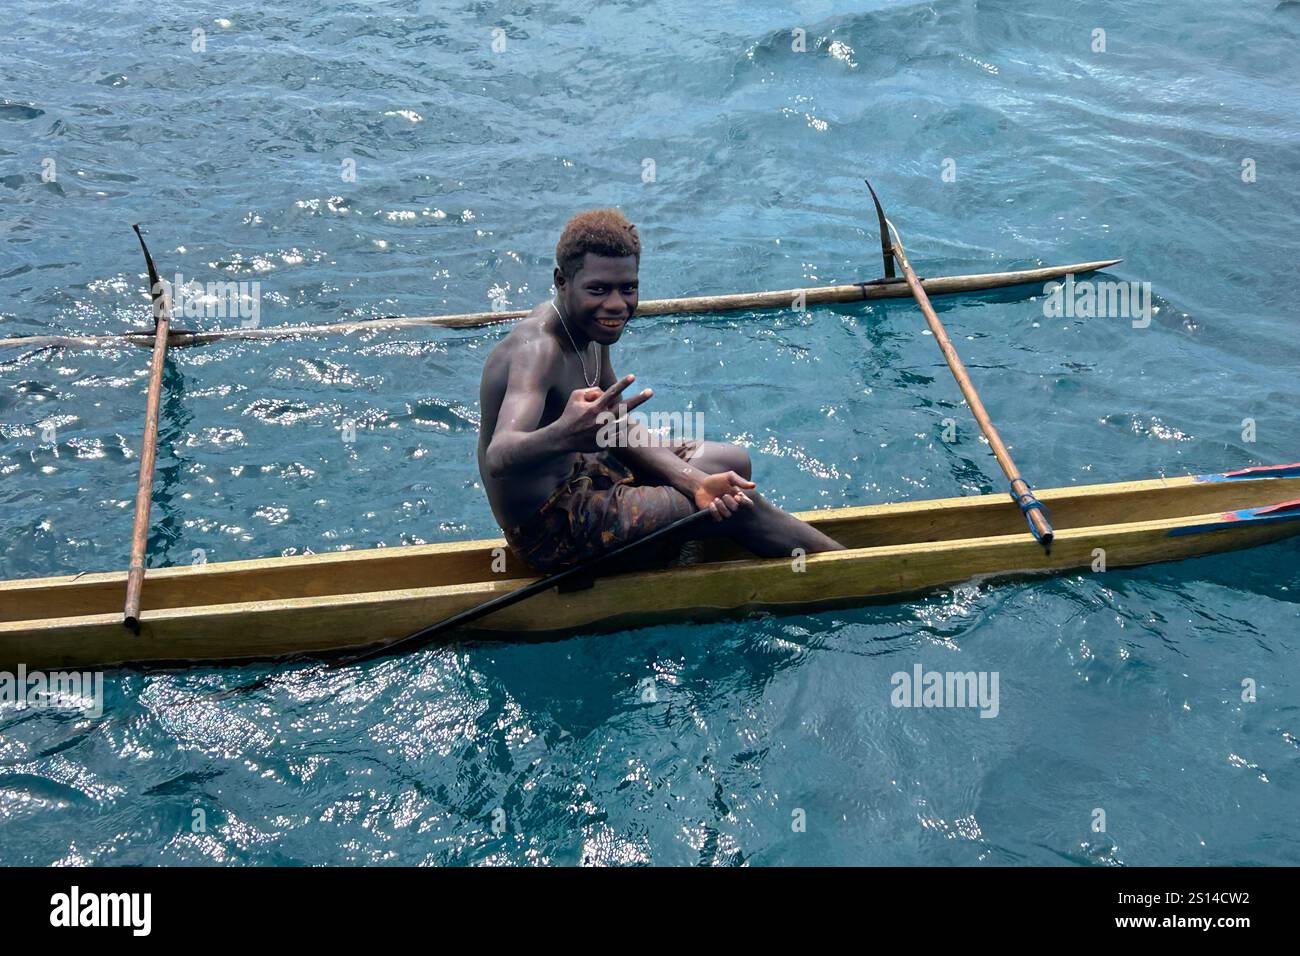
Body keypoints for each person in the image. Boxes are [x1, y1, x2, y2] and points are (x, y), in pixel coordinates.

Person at [477, 208, 844, 573]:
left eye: (628, 288)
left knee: (728, 465)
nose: (617, 305)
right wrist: (563, 434)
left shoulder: (592, 328)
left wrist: (697, 483)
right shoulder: (538, 350)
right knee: (734, 502)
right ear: (561, 281)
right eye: (599, 289)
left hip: (587, 475)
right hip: (553, 529)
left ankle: (674, 539)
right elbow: (499, 454)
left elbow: (617, 427)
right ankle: (840, 565)